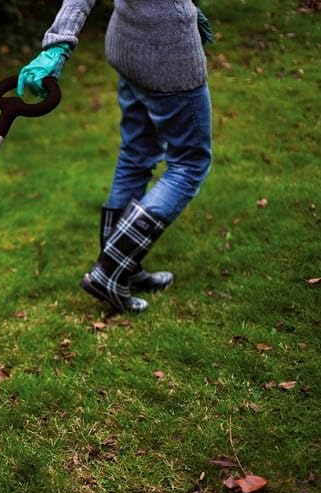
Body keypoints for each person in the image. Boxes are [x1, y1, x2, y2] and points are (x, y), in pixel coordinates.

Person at [18, 0, 214, 313]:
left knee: (137, 154)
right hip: (169, 55)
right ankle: (110, 269)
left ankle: (122, 264)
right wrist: (58, 44)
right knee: (190, 163)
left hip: (130, 48)